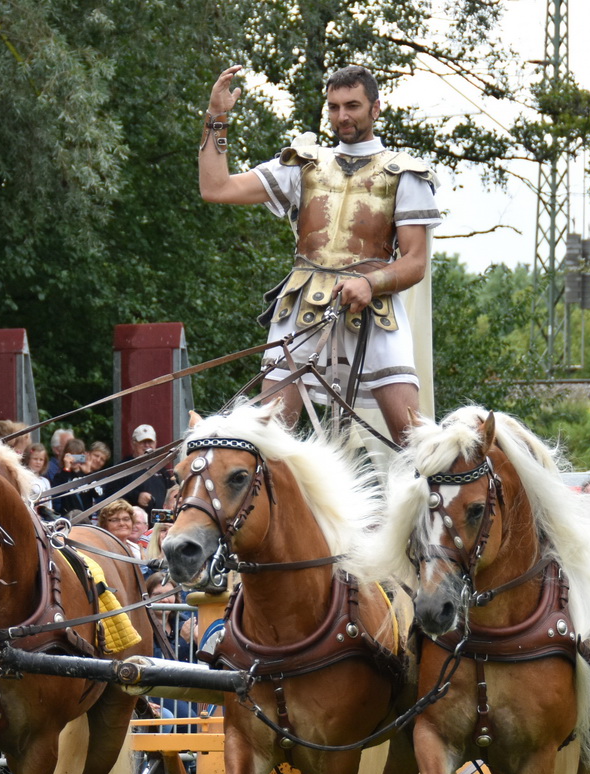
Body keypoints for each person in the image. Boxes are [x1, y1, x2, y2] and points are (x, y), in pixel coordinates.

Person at [199, 65, 441, 445]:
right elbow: (216, 188)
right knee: (267, 439)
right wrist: (217, 116)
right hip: (302, 306)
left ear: (375, 108)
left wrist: (370, 283)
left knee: (416, 442)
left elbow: (415, 262)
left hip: (375, 308)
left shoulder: (404, 174)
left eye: (352, 106)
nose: (342, 116)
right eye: (334, 107)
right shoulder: (304, 165)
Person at [120, 425, 176, 511]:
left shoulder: (162, 470)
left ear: (155, 443)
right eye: (142, 442)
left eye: (150, 442)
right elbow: (111, 496)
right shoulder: (122, 468)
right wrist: (136, 497)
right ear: (133, 444)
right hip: (133, 518)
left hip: (160, 519)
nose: (147, 445)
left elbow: (173, 492)